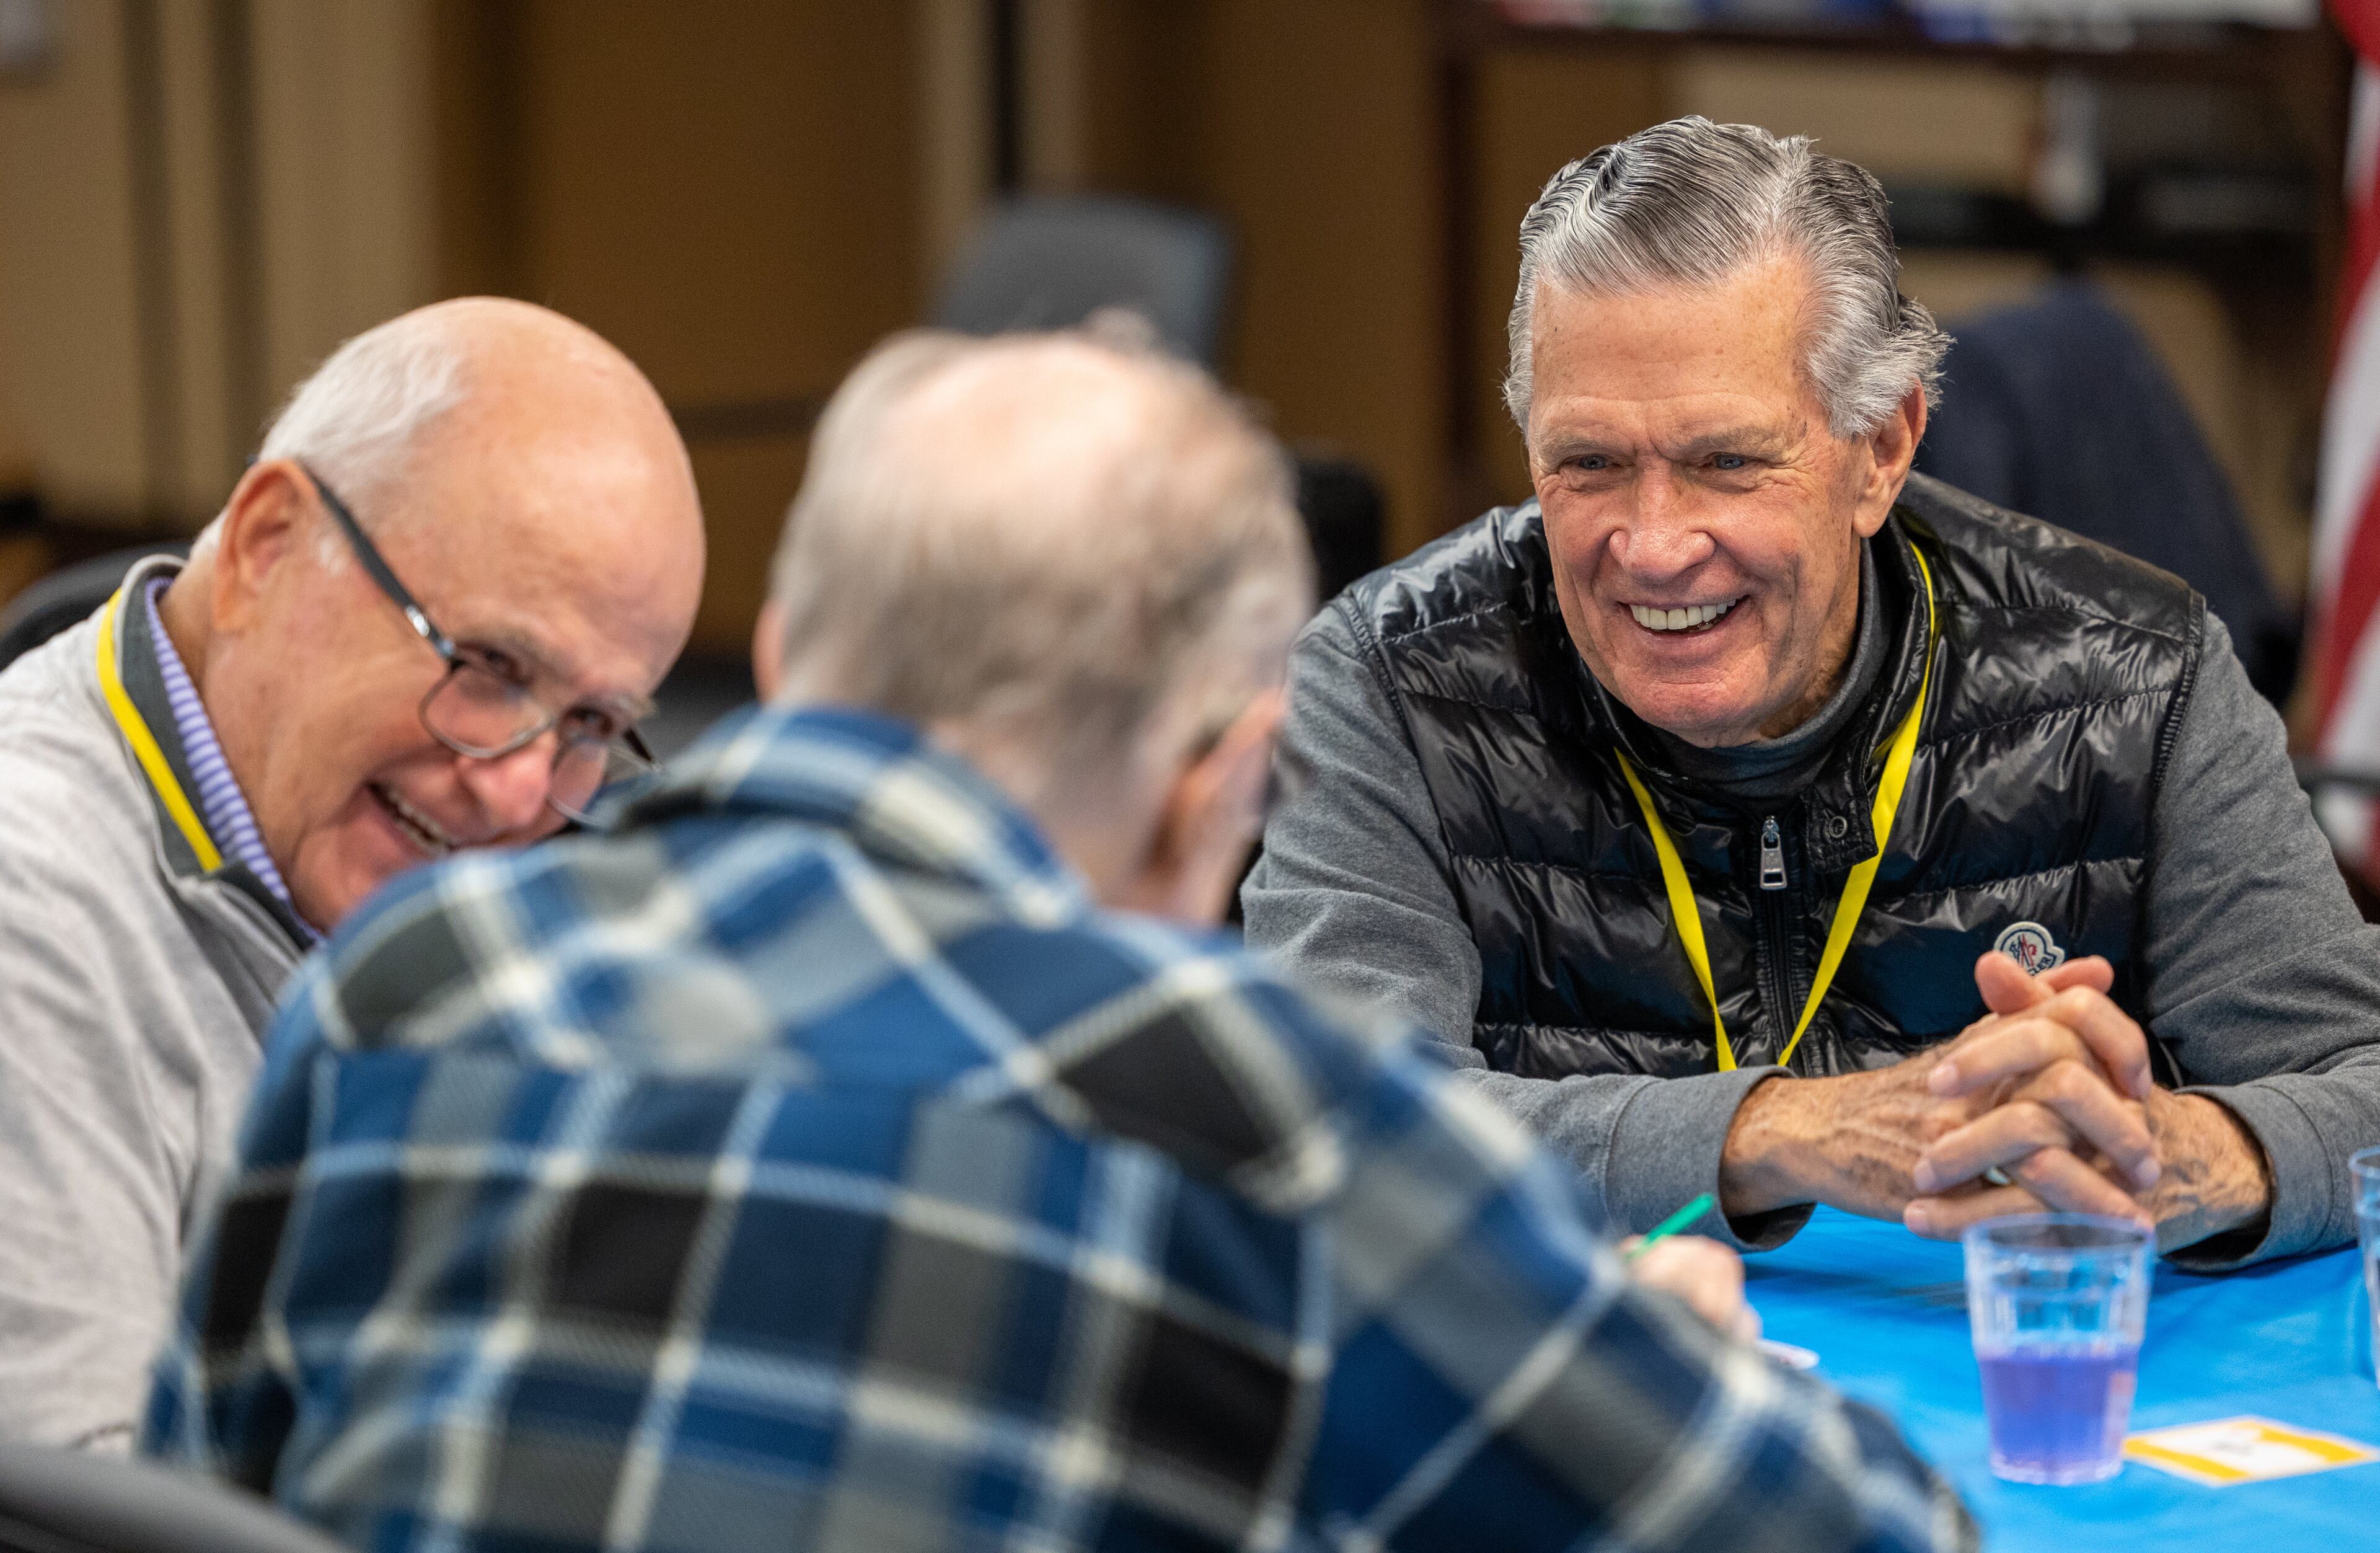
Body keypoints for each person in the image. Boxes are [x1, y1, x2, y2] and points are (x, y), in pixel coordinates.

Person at [146, 330, 1974, 1553]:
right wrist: (1678, 1355)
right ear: (1224, 776)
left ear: (784, 651)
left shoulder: (409, 988)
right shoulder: (1267, 1119)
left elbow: (198, 1496)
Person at [1245, 117, 2380, 1270]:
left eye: (1727, 461)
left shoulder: (2137, 677)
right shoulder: (1388, 684)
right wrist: (1777, 1131)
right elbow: (1318, 1127)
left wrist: (2181, 1149)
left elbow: (2363, 1077)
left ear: (1881, 450)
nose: (1652, 545)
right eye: (1587, 464)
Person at [0, 298, 705, 1448]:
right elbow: (77, 1518)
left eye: (591, 722)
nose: (522, 791)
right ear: (269, 546)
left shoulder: (524, 882)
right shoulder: (27, 910)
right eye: (487, 665)